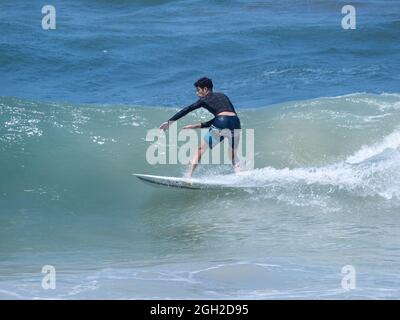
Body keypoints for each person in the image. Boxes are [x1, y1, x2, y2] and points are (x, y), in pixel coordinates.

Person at [159, 77, 241, 177]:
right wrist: (197, 125)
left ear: (205, 89)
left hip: (222, 121)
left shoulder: (204, 99)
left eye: (198, 90)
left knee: (200, 150)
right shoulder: (223, 95)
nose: (197, 93)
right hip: (236, 122)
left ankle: (188, 176)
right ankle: (240, 175)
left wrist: (170, 122)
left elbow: (187, 109)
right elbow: (227, 116)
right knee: (233, 155)